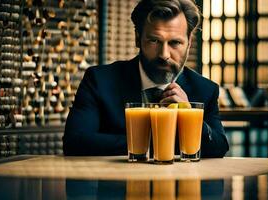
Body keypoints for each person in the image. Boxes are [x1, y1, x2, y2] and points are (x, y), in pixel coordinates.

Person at [63, 0, 229, 157]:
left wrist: (188, 114)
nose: (164, 55)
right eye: (154, 40)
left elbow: (219, 147)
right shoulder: (99, 81)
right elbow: (75, 142)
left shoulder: (205, 89)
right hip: (116, 186)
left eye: (175, 43)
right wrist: (157, 142)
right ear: (138, 38)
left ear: (189, 42)